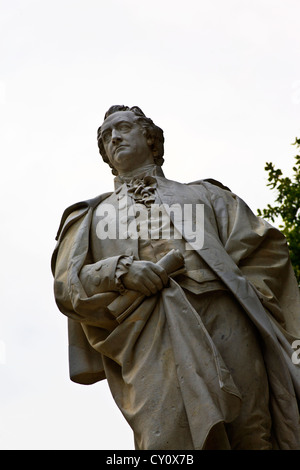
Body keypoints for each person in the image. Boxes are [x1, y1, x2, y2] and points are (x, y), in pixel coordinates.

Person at [51, 105, 300, 450]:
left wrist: (248, 296)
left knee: (252, 429)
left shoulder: (208, 195)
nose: (114, 138)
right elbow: (69, 285)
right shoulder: (90, 216)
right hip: (151, 325)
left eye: (122, 128)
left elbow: (265, 251)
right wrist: (121, 270)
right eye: (106, 137)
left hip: (225, 311)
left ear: (150, 139)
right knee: (166, 438)